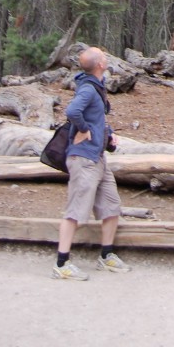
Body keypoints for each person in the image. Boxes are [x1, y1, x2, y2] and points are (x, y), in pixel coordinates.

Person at [52, 46, 130, 280]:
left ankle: (106, 256)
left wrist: (108, 133)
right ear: (100, 65)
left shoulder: (96, 87)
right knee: (75, 211)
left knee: (111, 206)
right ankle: (61, 263)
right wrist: (85, 131)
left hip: (97, 158)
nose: (106, 58)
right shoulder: (87, 88)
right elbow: (73, 111)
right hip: (83, 159)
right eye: (104, 56)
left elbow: (95, 117)